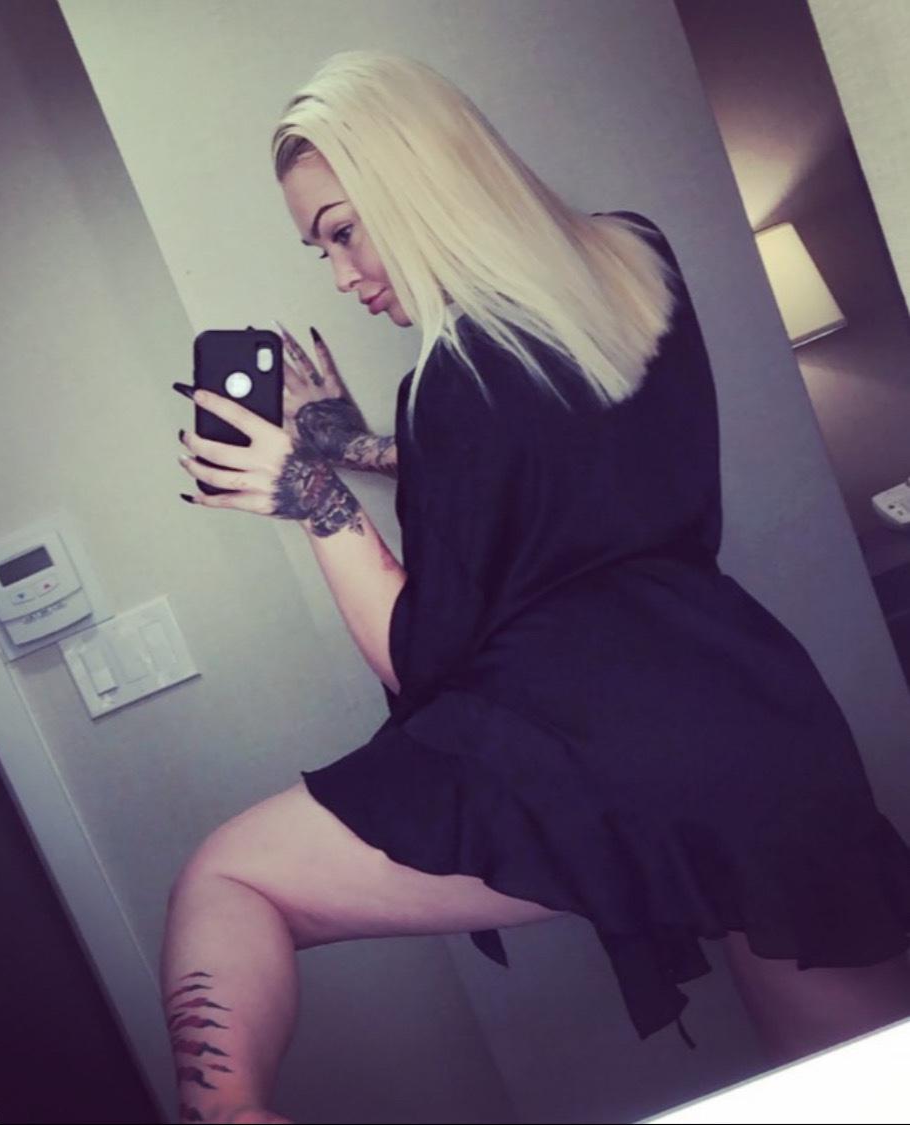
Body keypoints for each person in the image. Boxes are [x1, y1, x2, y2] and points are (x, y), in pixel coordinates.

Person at [165, 49, 910, 1125]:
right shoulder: (631, 257)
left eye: (342, 230)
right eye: (320, 248)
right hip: (754, 721)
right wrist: (354, 444)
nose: (340, 273)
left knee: (227, 877)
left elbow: (419, 656)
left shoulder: (449, 379)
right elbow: (545, 464)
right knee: (866, 1092)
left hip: (595, 750)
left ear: (412, 178)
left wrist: (310, 495)